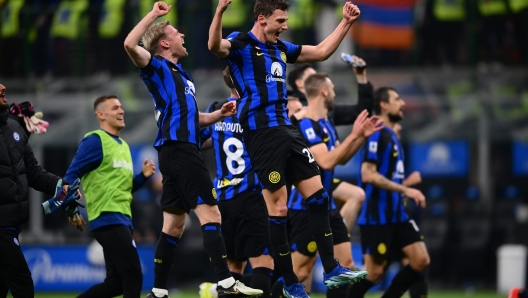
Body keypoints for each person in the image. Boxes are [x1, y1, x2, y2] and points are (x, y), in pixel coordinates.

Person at [208, 0, 367, 297]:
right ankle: (292, 284)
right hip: (262, 136)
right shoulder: (240, 43)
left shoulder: (281, 48)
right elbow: (214, 46)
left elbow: (319, 52)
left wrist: (346, 23)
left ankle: (331, 268)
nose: (285, 25)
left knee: (318, 196)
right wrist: (218, 12)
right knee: (278, 208)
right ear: (262, 19)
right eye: (280, 20)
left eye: (285, 20)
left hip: (288, 131)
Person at [123, 2, 262, 297]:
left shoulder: (183, 77)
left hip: (173, 154)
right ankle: (226, 281)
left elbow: (193, 117)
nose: (183, 35)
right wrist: (154, 16)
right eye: (176, 33)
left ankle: (158, 290)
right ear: (164, 43)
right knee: (211, 214)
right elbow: (129, 43)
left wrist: (217, 115)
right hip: (182, 152)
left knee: (172, 227)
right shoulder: (156, 67)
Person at [286, 73, 381, 298]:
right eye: (333, 88)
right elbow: (326, 160)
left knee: (344, 266)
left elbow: (341, 158)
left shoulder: (327, 123)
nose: (335, 93)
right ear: (324, 91)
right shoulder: (305, 123)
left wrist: (360, 137)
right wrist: (355, 134)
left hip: (326, 207)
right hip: (306, 208)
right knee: (299, 272)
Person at [62, 95, 156, 298]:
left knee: (116, 284)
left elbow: (123, 189)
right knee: (133, 274)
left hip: (121, 218)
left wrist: (143, 177)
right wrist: (71, 209)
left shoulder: (123, 145)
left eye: (121, 107)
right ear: (101, 115)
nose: (121, 111)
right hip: (107, 218)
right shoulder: (95, 140)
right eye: (115, 108)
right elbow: (70, 175)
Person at [347, 87, 430, 298]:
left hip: (397, 216)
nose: (402, 103)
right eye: (397, 98)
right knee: (374, 274)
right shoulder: (377, 135)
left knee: (421, 260)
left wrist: (406, 183)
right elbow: (368, 174)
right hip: (377, 217)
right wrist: (406, 189)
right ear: (383, 105)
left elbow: (389, 177)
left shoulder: (393, 136)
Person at [198, 67, 274, 298]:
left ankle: (215, 292)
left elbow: (200, 141)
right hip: (251, 197)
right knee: (264, 267)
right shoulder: (255, 110)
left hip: (223, 201)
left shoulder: (216, 110)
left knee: (233, 273)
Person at [0, 83, 81, 298]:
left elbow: (33, 173)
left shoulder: (13, 130)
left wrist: (61, 185)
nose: (3, 87)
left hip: (11, 225)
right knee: (23, 287)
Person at [288, 55, 372, 232]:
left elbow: (361, 112)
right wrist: (295, 118)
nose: (317, 79)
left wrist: (362, 76)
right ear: (300, 84)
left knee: (356, 195)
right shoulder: (292, 107)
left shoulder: (326, 115)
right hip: (299, 190)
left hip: (324, 184)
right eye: (311, 77)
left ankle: (332, 238)